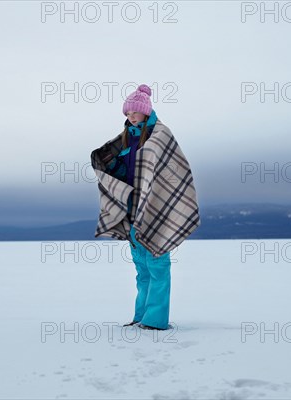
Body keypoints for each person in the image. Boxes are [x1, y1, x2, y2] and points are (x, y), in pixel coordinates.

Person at [90, 83, 201, 331]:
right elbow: (115, 164)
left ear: (145, 111)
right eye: (127, 114)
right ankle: (141, 316)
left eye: (133, 112)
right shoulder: (126, 138)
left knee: (158, 262)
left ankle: (156, 320)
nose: (129, 117)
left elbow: (173, 169)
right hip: (131, 205)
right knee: (141, 267)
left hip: (155, 205)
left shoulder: (161, 136)